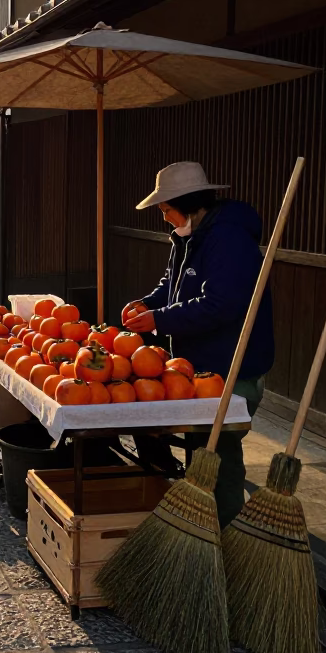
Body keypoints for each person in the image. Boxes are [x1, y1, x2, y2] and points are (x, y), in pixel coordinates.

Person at [122, 161, 274, 529]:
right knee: (202, 449)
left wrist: (160, 320)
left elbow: (222, 304)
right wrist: (149, 303)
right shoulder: (188, 236)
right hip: (198, 363)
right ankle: (202, 521)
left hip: (232, 364)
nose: (165, 219)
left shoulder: (230, 239)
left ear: (186, 204)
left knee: (219, 453)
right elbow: (171, 284)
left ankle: (225, 528)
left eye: (166, 211)